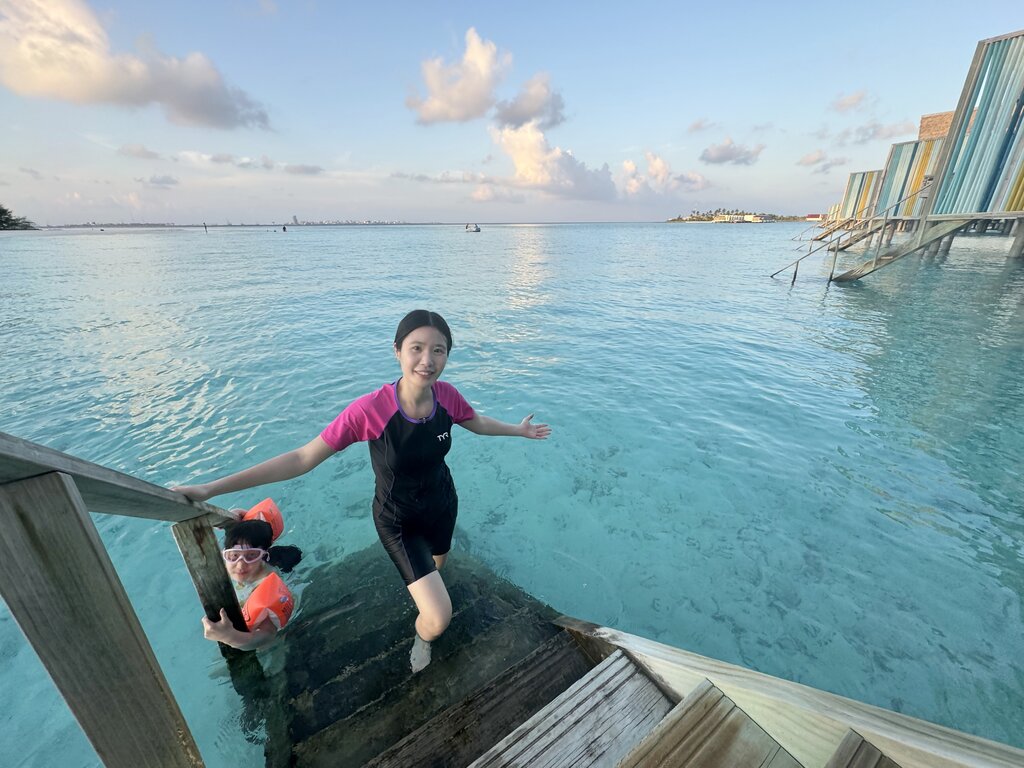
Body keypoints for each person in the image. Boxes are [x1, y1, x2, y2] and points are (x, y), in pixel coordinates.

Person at [173, 309, 550, 672]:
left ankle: (426, 591)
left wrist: (518, 430)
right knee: (437, 618)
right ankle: (423, 638)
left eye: (438, 350)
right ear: (397, 351)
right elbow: (302, 458)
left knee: (440, 564)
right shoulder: (371, 410)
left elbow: (476, 421)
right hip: (398, 521)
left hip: (442, 505)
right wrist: (210, 488)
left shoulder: (447, 396)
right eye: (416, 348)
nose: (427, 360)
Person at [202, 499, 302, 651]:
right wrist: (232, 523)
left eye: (251, 556)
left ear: (263, 556)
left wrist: (229, 637)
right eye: (233, 556)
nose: (240, 565)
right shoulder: (231, 561)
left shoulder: (266, 586)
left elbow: (267, 635)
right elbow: (239, 543)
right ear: (225, 554)